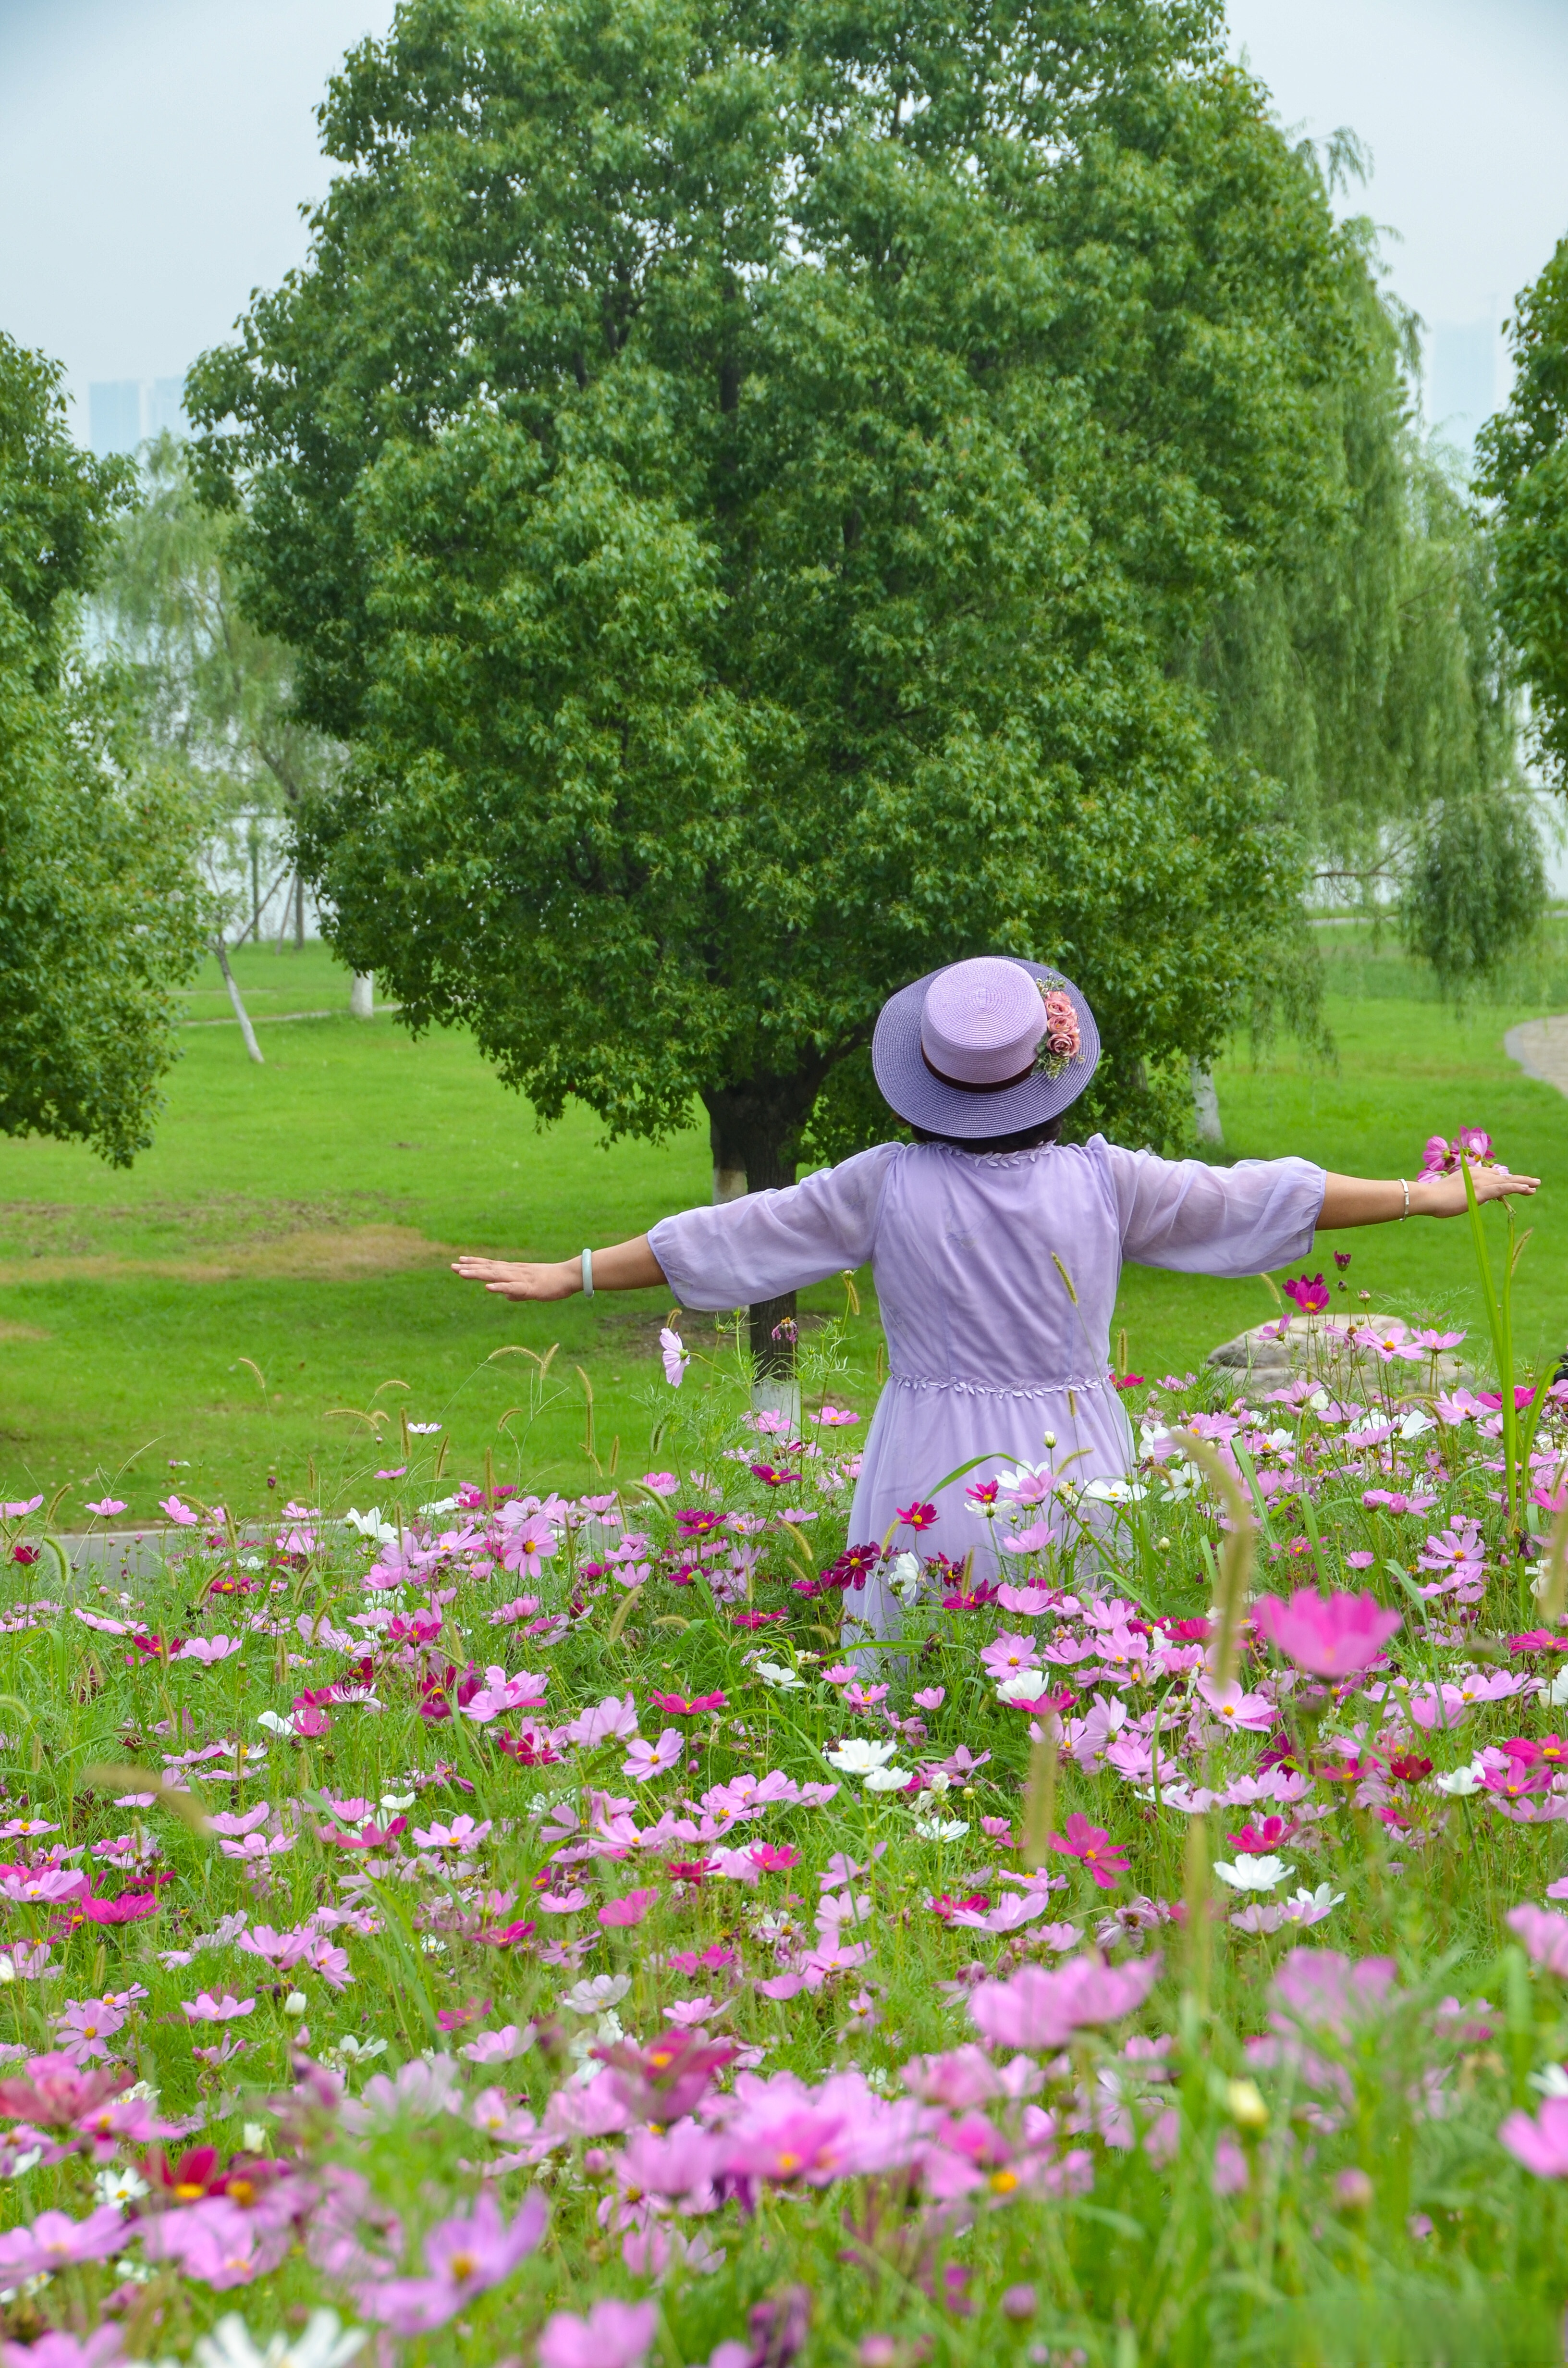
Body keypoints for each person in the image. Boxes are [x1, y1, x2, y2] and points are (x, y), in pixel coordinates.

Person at [453, 956, 1539, 1636]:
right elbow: (1257, 1196)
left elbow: (735, 1236)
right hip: (1077, 1462)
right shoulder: (1107, 1180)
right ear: (1051, 1071)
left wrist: (573, 1273)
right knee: (1074, 1671)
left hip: (928, 1463)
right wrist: (1427, 1192)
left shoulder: (883, 1184)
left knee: (921, 1698)